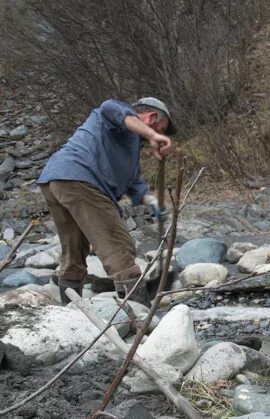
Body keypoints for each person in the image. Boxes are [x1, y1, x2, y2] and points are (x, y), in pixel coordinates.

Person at [38, 97, 176, 306]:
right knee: (119, 247)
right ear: (152, 116)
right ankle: (140, 317)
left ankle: (68, 315)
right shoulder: (117, 113)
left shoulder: (131, 151)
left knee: (74, 251)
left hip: (57, 180)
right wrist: (152, 134)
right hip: (81, 178)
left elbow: (135, 184)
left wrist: (153, 202)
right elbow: (110, 109)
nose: (160, 135)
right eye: (161, 128)